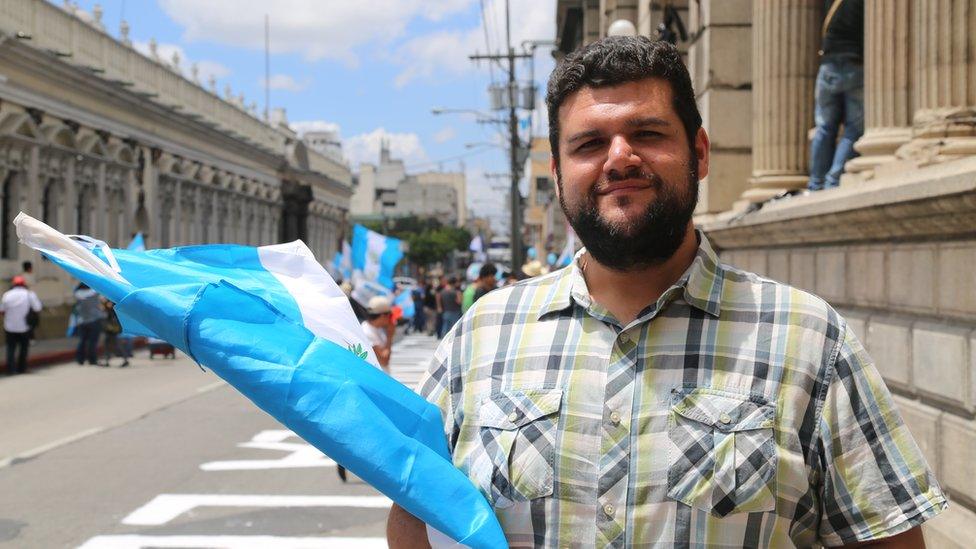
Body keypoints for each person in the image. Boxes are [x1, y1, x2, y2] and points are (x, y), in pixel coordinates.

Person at [389, 37, 944, 547]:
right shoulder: (481, 337)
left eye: (648, 134)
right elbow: (414, 524)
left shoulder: (809, 339)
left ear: (699, 153)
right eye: (589, 143)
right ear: (557, 174)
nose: (619, 158)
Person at [339, 295, 395, 484]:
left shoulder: (372, 329)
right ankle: (345, 455)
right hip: (372, 388)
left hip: (377, 385)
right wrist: (391, 336)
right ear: (383, 315)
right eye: (389, 316)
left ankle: (346, 456)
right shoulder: (368, 332)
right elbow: (384, 358)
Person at [808, 0, 864, 191]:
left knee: (824, 127)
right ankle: (834, 180)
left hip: (828, 67)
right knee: (854, 129)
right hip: (854, 64)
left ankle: (815, 183)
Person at [1, 276, 41, 375]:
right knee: (24, 348)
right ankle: (22, 368)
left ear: (13, 284)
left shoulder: (7, 295)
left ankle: (10, 370)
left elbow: (1, 310)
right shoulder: (29, 294)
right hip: (24, 327)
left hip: (10, 326)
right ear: (24, 284)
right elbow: (37, 308)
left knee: (11, 348)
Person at [74, 282, 106, 365]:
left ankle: (80, 359)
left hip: (82, 321)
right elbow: (103, 298)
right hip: (94, 319)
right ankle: (92, 359)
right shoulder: (95, 292)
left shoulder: (77, 293)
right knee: (93, 341)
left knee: (82, 341)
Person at [101, 299, 129, 368]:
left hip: (113, 327)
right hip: (110, 326)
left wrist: (108, 305)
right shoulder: (107, 301)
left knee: (117, 343)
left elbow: (112, 310)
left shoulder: (113, 301)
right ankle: (107, 361)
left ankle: (125, 360)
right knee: (108, 343)